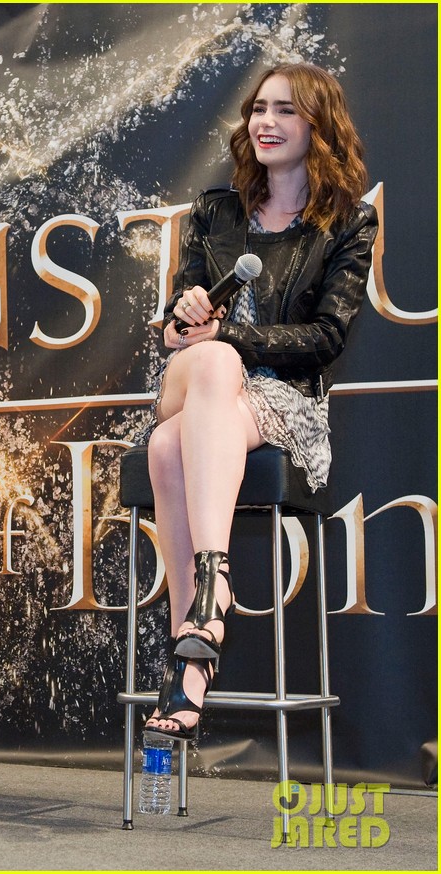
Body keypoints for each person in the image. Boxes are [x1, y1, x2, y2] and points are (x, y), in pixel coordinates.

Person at [143, 64, 376, 740]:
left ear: (319, 126)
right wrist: (186, 314)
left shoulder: (348, 225)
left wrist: (231, 336)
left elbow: (328, 336)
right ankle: (217, 586)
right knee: (208, 360)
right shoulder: (215, 212)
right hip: (195, 377)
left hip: (282, 401)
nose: (266, 122)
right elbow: (171, 332)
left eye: (286, 111)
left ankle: (188, 673)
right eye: (259, 109)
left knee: (166, 446)